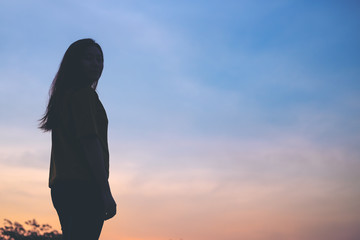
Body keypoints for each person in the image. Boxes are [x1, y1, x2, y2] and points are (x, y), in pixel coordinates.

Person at [39, 38, 116, 240]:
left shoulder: (63, 98)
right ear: (75, 63)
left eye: (100, 59)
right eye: (88, 58)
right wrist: (105, 191)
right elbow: (90, 142)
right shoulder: (84, 96)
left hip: (61, 186)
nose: (96, 64)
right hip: (84, 186)